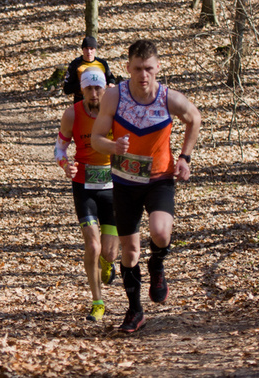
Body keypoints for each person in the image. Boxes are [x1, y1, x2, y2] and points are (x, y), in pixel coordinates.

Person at [91, 39, 201, 333]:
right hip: (124, 182)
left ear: (157, 68)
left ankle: (158, 266)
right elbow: (96, 138)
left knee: (161, 232)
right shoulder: (114, 97)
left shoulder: (168, 98)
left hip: (159, 179)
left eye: (149, 69)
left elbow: (195, 118)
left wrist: (184, 157)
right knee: (129, 251)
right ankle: (135, 310)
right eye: (137, 68)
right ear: (128, 68)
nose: (143, 75)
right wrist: (114, 145)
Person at [54, 68, 119, 323]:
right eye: (89, 88)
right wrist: (64, 164)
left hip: (113, 186)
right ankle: (97, 302)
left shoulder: (116, 111)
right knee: (92, 244)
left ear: (105, 88)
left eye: (98, 88)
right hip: (84, 185)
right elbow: (60, 147)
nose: (94, 94)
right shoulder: (72, 114)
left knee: (110, 252)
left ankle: (107, 261)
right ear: (82, 89)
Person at [63, 36, 116, 103]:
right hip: (81, 101)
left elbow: (110, 78)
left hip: (100, 101)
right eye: (86, 48)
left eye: (91, 49)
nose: (89, 52)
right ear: (82, 49)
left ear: (95, 49)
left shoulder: (102, 63)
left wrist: (111, 83)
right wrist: (85, 83)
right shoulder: (75, 64)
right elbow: (67, 89)